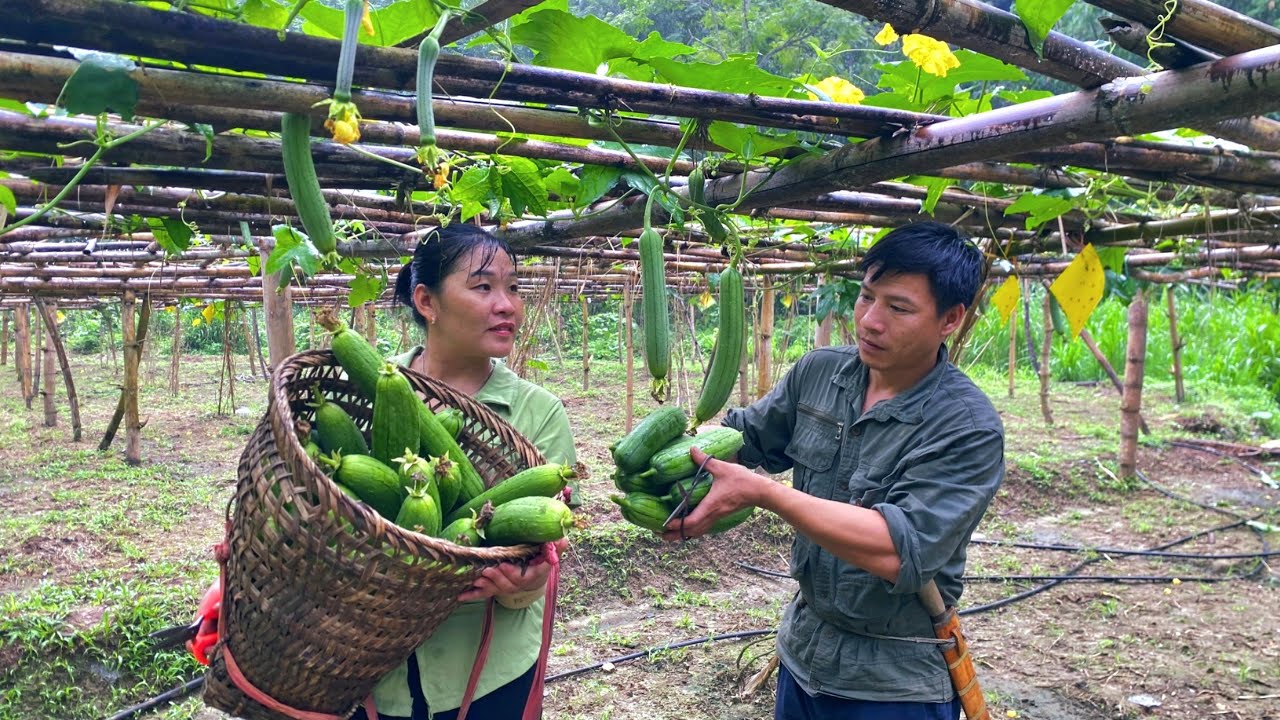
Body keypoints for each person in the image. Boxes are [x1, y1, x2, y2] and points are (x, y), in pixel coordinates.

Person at [663, 222, 1004, 720]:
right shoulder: (820, 372)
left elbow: (897, 549)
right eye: (866, 297)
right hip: (804, 653)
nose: (869, 320)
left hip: (892, 685)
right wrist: (666, 464)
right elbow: (747, 439)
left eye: (898, 307)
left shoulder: (967, 427)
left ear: (950, 319)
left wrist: (765, 494)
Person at [358, 224, 577, 720]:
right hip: (367, 672)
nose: (508, 305)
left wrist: (528, 582)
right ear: (426, 301)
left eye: (514, 288)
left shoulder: (539, 413)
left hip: (489, 678)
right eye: (483, 287)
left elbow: (550, 543)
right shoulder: (369, 388)